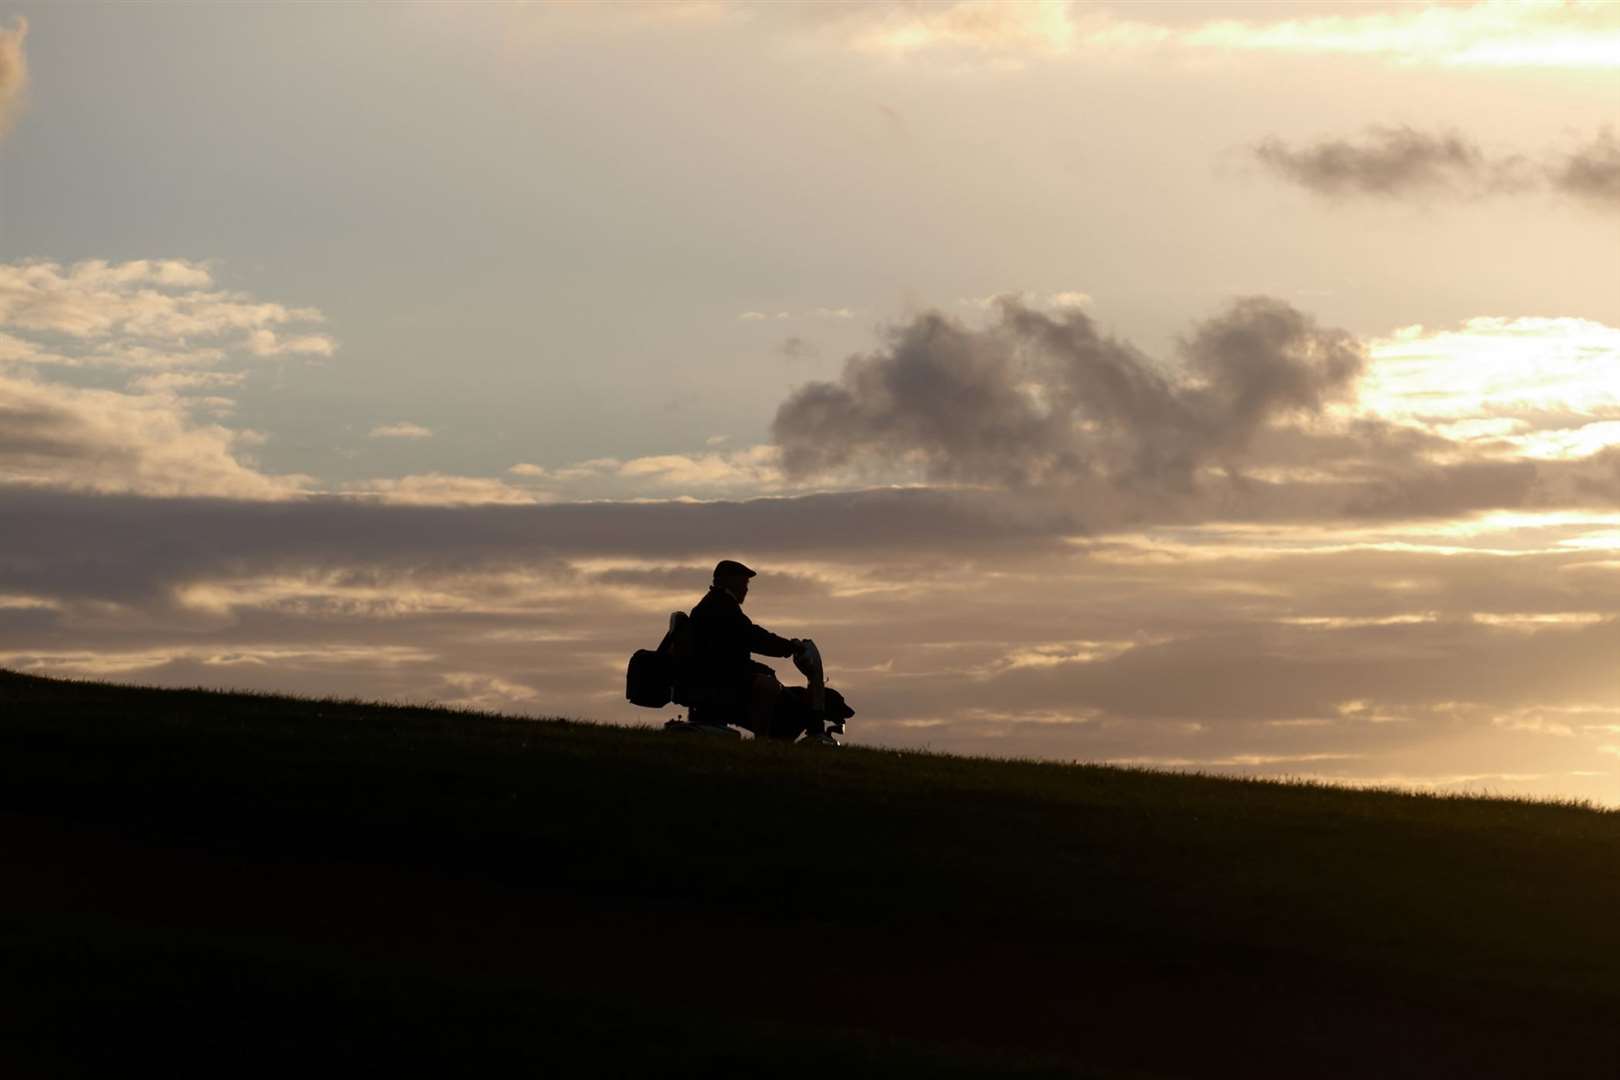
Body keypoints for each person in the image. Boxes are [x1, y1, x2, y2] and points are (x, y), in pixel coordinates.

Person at [686, 559, 808, 737]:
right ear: (730, 581)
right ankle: (762, 739)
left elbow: (742, 638)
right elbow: (751, 636)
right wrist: (788, 647)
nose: (746, 589)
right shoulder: (721, 605)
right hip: (719, 675)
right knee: (768, 686)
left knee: (767, 677)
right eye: (744, 582)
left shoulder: (716, 602)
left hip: (716, 672)